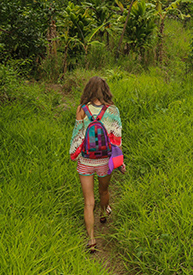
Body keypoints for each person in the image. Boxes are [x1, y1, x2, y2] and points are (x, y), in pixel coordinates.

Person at [69, 76, 125, 253]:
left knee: (88, 201)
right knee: (104, 191)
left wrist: (74, 155)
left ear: (88, 90)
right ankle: (103, 213)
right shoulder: (113, 110)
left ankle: (91, 239)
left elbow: (77, 135)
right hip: (105, 161)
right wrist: (119, 161)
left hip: (86, 160)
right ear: (106, 90)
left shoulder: (81, 109)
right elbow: (117, 140)